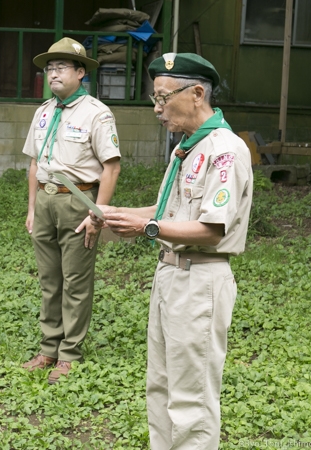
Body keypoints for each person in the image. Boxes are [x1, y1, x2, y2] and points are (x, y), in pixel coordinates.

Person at [91, 53, 254, 449]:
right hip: (170, 276)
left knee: (192, 399)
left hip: (200, 280)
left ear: (197, 93)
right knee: (161, 387)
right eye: (154, 99)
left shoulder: (225, 150)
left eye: (164, 99)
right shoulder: (186, 148)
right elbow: (169, 211)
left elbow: (211, 228)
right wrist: (113, 213)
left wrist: (147, 227)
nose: (157, 110)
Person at [21, 37, 121, 384]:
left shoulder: (97, 113)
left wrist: (98, 214)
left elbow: (111, 168)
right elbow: (35, 162)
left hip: (78, 201)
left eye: (61, 67)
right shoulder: (44, 111)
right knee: (50, 280)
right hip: (47, 201)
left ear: (81, 72)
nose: (53, 73)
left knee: (76, 281)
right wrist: (33, 207)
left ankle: (70, 354)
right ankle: (49, 348)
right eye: (49, 68)